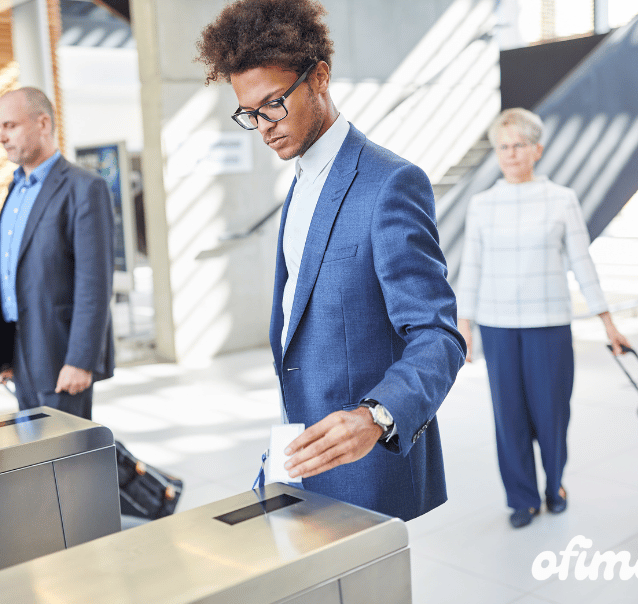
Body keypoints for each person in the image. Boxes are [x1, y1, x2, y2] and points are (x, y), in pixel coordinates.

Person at [196, 0, 466, 521]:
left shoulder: (390, 184)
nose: (265, 127)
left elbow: (439, 334)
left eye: (273, 103)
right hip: (300, 454)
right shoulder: (300, 183)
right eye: (250, 114)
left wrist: (376, 416)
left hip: (369, 461)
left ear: (319, 77)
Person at [455, 108, 631, 528]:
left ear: (537, 149)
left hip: (549, 324)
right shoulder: (482, 205)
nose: (511, 154)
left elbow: (581, 262)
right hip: (498, 327)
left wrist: (607, 320)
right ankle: (522, 498)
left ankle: (555, 484)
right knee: (509, 415)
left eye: (519, 145)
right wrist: (465, 326)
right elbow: (472, 267)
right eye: (503, 146)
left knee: (552, 413)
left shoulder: (561, 199)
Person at [0, 87, 115, 419]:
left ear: (42, 124)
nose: (1, 137)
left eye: (10, 126)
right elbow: (9, 272)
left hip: (60, 351)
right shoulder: (14, 189)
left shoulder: (84, 188)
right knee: (36, 453)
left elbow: (95, 284)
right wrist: (5, 356)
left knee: (69, 459)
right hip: (20, 350)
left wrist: (80, 360)